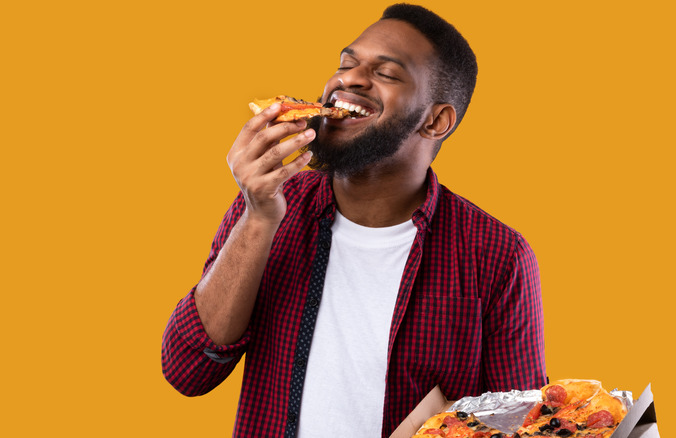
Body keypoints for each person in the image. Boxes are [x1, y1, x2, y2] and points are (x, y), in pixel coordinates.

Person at [162, 4, 545, 437]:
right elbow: (187, 372)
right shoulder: (270, 203)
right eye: (346, 63)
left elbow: (524, 422)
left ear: (436, 120)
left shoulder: (496, 255)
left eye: (386, 73)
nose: (348, 79)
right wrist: (258, 219)